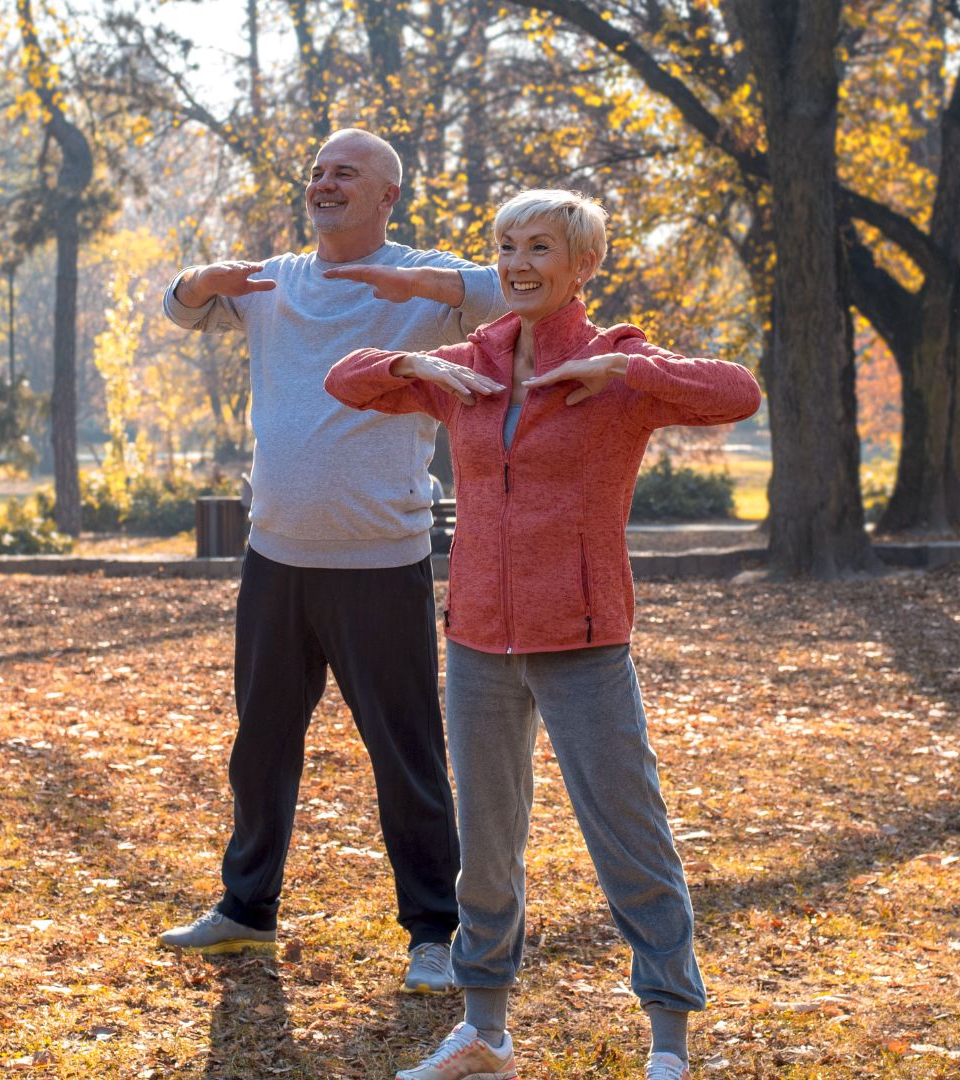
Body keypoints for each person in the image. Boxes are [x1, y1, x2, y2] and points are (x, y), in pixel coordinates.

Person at [325, 189, 762, 1080]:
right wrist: (420, 369)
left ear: (581, 265)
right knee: (485, 846)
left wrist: (627, 378)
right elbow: (346, 378)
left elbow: (738, 393)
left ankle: (669, 1038)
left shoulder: (616, 365)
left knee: (629, 837)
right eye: (507, 247)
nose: (519, 263)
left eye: (539, 248)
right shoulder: (470, 365)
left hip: (584, 640)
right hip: (479, 640)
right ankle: (485, 1032)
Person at [154, 128, 507, 995]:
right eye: (317, 172)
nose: (324, 182)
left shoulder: (431, 280)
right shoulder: (275, 281)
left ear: (388, 195)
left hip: (381, 563)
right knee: (260, 745)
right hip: (275, 557)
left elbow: (521, 291)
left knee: (408, 756)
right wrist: (201, 281)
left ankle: (435, 933)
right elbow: (179, 307)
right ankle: (245, 909)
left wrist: (417, 284)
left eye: (345, 172)